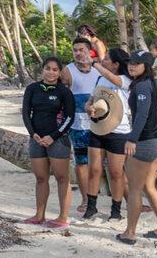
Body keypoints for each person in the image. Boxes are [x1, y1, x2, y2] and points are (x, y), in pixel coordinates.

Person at [117, 50, 157, 245]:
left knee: (134, 189)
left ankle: (130, 233)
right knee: (149, 187)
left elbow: (141, 116)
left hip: (145, 144)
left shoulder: (141, 86)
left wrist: (132, 139)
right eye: (130, 62)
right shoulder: (151, 84)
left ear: (146, 67)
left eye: (137, 63)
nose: (132, 65)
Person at [21, 57, 75, 228]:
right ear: (42, 70)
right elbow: (25, 113)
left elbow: (69, 117)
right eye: (47, 68)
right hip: (36, 140)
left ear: (59, 73)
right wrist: (33, 134)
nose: (50, 72)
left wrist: (54, 136)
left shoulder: (64, 92)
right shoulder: (32, 89)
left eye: (54, 70)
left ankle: (62, 217)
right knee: (41, 178)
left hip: (58, 140)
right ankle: (39, 215)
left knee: (62, 178)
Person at [83, 48, 132, 220]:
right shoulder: (99, 79)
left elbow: (115, 80)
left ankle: (116, 210)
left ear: (116, 64)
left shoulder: (126, 80)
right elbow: (91, 100)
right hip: (97, 127)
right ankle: (91, 207)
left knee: (116, 172)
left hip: (118, 131)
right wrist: (88, 107)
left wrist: (94, 64)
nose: (103, 60)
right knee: (94, 169)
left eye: (106, 59)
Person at [60, 37, 100, 214]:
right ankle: (85, 200)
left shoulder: (99, 70)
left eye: (81, 49)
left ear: (89, 51)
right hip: (78, 126)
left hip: (101, 124)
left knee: (106, 164)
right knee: (82, 163)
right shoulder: (67, 71)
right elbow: (62, 96)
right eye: (75, 50)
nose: (78, 53)